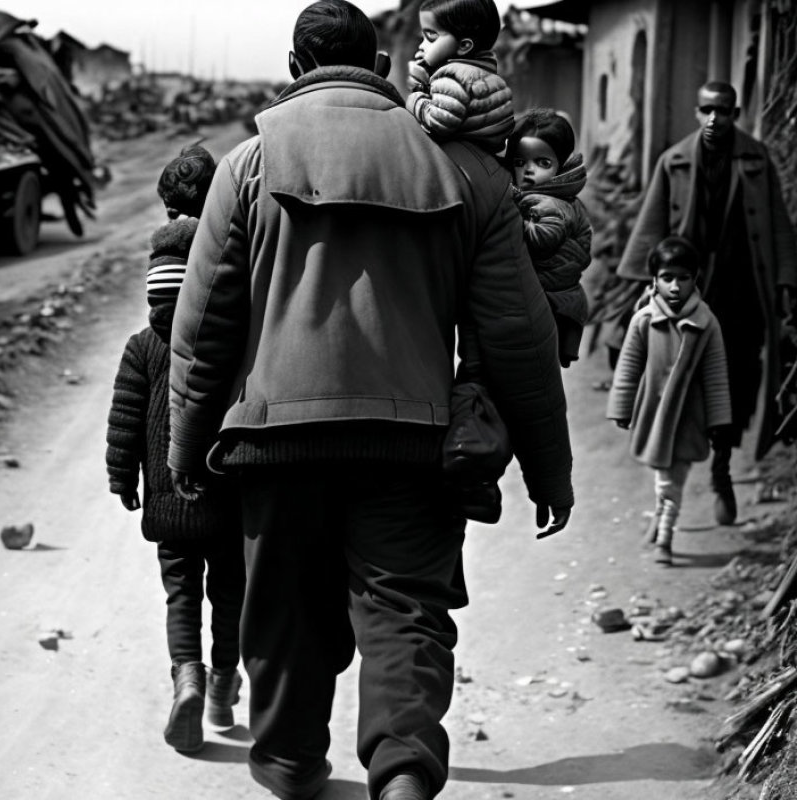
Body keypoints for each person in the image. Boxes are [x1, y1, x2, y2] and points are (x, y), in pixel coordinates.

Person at [167, 2, 574, 799]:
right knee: (405, 615)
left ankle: (287, 764)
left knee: (284, 613)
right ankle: (403, 774)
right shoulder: (463, 171)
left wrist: (185, 446)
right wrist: (549, 470)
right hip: (412, 447)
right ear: (383, 70)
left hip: (275, 445)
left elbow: (204, 321)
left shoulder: (247, 166)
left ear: (292, 69)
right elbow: (517, 336)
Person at [105, 146, 245, 755]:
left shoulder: (141, 346)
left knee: (181, 591)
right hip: (229, 489)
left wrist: (122, 478)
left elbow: (125, 419)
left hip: (166, 492)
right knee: (230, 592)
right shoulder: (235, 335)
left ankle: (184, 675)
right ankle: (221, 685)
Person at [616, 80, 797, 525]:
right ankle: (668, 492)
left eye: (725, 111)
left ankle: (721, 469)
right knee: (677, 379)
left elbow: (776, 223)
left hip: (741, 290)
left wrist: (785, 281)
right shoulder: (675, 160)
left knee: (733, 380)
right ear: (697, 112)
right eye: (707, 110)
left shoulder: (755, 158)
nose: (716, 119)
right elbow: (653, 223)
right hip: (689, 291)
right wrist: (645, 283)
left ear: (736, 114)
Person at [607, 237, 732, 564]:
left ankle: (664, 537)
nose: (675, 286)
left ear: (696, 278)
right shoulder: (644, 320)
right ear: (654, 280)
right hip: (653, 412)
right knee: (662, 474)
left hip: (689, 417)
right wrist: (622, 407)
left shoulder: (706, 323)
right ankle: (660, 518)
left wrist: (719, 421)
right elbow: (629, 366)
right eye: (667, 278)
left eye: (683, 277)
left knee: (673, 479)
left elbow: (715, 375)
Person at [506, 108, 594, 368]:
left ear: (561, 166)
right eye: (520, 162)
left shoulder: (547, 202)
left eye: (542, 163)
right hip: (558, 301)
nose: (529, 171)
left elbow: (543, 237)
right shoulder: (562, 196)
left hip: (549, 304)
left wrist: (509, 217)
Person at [405, 0, 514, 153]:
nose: (421, 46)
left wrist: (416, 96)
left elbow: (438, 124)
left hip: (461, 158)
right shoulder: (487, 74)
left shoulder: (452, 76)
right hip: (489, 155)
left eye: (430, 37)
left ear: (463, 46)